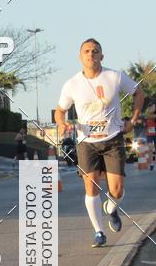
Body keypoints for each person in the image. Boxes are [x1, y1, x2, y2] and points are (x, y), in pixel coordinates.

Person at [55, 38, 144, 247]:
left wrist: (133, 120)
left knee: (117, 190)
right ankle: (99, 232)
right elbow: (60, 110)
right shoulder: (72, 84)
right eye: (86, 51)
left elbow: (139, 93)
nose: (90, 54)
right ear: (80, 57)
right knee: (91, 186)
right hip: (87, 142)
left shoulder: (115, 77)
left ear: (101, 56)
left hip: (113, 139)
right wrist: (61, 123)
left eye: (95, 51)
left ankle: (111, 209)